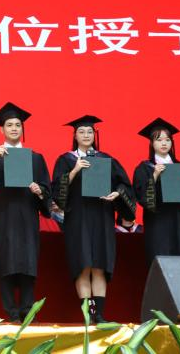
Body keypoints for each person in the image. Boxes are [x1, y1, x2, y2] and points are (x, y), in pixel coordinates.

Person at [51, 115, 135, 324]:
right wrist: (75, 170)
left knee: (99, 266)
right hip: (77, 218)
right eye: (81, 132)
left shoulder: (106, 159)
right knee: (83, 266)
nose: (86, 135)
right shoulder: (66, 160)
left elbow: (124, 185)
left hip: (101, 216)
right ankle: (88, 314)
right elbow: (57, 191)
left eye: (89, 132)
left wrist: (116, 194)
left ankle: (100, 315)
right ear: (75, 136)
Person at [0, 102, 51, 322]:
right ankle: (11, 313)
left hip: (27, 217)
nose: (14, 128)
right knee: (5, 262)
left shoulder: (35, 158)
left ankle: (27, 311)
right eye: (9, 125)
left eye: (18, 125)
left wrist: (39, 191)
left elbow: (47, 191)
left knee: (28, 263)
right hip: (3, 217)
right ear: (2, 129)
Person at [131, 118, 180, 265]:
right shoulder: (145, 168)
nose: (164, 143)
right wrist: (154, 175)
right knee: (161, 260)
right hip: (158, 222)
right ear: (152, 143)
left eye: (167, 140)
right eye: (159, 140)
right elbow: (141, 195)